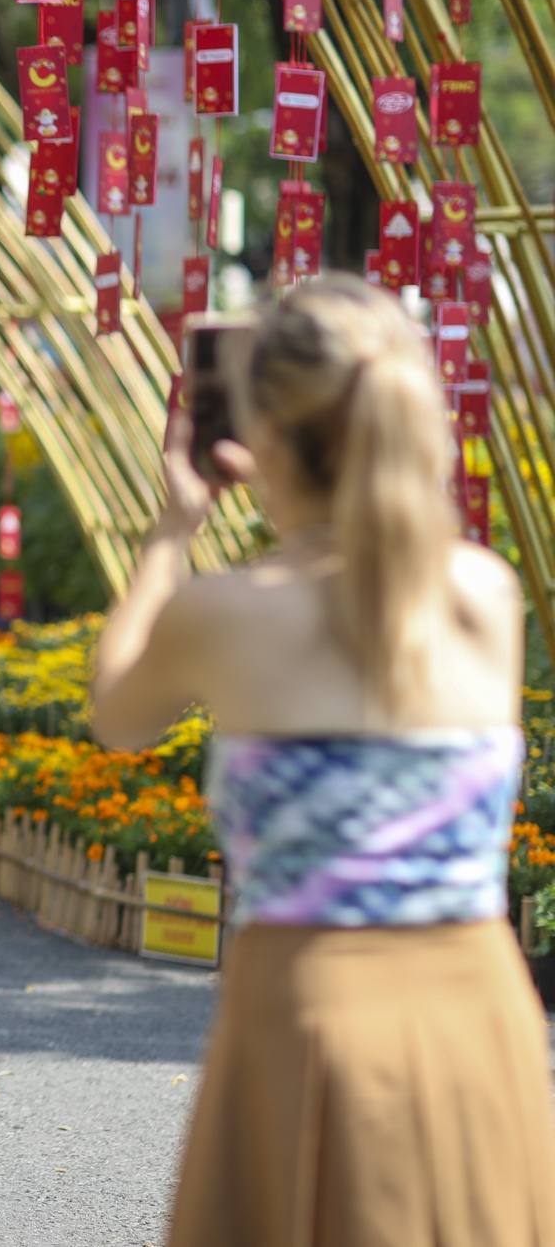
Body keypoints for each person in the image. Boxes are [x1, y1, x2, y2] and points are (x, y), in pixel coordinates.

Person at [89, 276, 555, 1245]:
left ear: (258, 438)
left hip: (304, 1009)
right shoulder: (484, 594)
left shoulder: (227, 613)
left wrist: (172, 526)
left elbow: (116, 715)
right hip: (479, 1009)